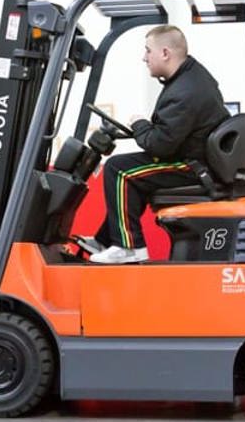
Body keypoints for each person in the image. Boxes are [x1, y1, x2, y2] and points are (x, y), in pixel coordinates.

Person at [87, 25, 229, 264]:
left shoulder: (185, 91)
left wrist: (140, 123)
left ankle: (129, 246)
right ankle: (106, 238)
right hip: (195, 159)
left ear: (165, 53)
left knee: (119, 169)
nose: (144, 57)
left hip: (194, 167)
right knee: (135, 170)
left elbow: (160, 146)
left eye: (147, 51)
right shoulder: (189, 77)